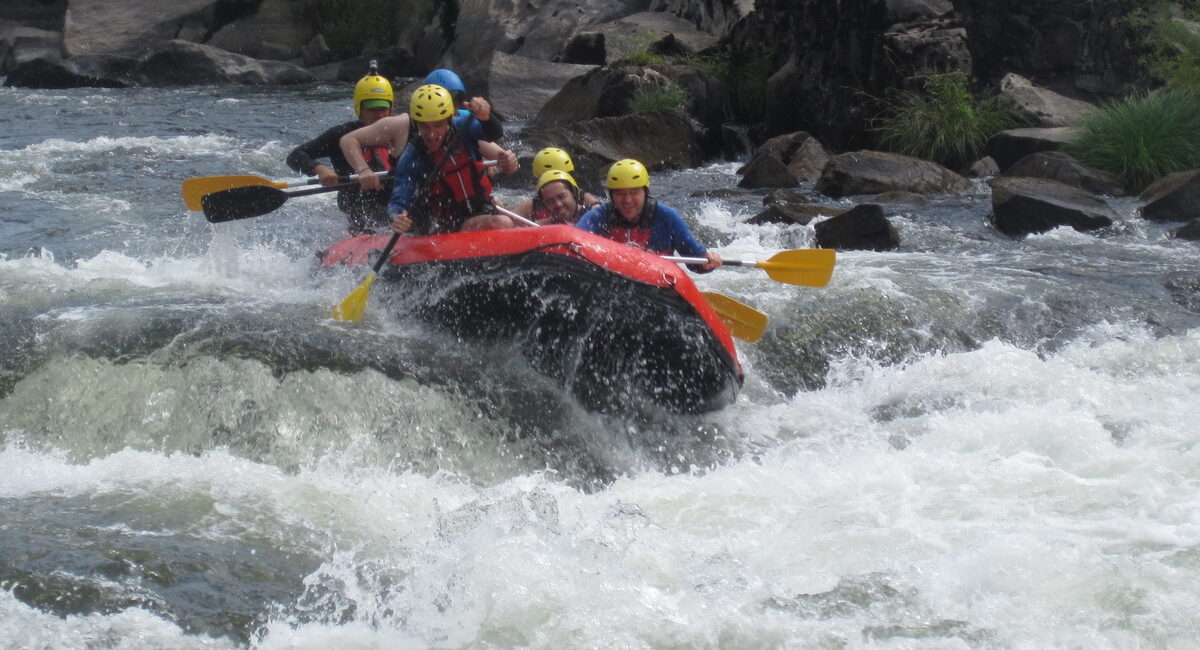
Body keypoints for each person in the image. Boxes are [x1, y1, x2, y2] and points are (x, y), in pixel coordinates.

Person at [383, 84, 519, 236]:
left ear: (449, 120)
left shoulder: (463, 126)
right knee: (503, 223)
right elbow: (397, 202)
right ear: (415, 124)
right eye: (425, 127)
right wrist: (397, 218)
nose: (432, 134)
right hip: (444, 226)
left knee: (508, 218)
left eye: (438, 125)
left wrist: (486, 117)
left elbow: (493, 133)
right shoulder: (412, 156)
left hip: (481, 209)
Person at [339, 70, 502, 193]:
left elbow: (500, 155)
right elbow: (348, 140)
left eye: (456, 101)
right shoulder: (401, 124)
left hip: (455, 203)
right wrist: (363, 169)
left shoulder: (461, 121)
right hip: (412, 208)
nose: (452, 110)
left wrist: (500, 162)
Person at [285, 61, 395, 234]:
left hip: (395, 208)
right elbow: (295, 156)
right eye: (373, 110)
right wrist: (319, 169)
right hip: (359, 212)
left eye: (383, 109)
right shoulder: (341, 135)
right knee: (368, 213)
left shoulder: (402, 134)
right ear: (360, 109)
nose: (379, 115)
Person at [576, 159, 722, 271]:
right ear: (611, 195)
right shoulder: (598, 218)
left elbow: (695, 259)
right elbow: (573, 240)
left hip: (657, 289)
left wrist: (707, 262)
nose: (627, 200)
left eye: (634, 193)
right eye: (620, 193)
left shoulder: (666, 217)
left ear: (645, 193)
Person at [511, 147, 600, 221]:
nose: (558, 204)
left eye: (562, 196)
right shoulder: (532, 205)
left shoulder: (585, 201)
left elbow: (598, 209)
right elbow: (509, 221)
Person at [424, 68, 503, 143]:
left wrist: (485, 117)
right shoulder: (418, 124)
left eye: (457, 100)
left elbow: (495, 134)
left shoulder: (460, 119)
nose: (453, 109)